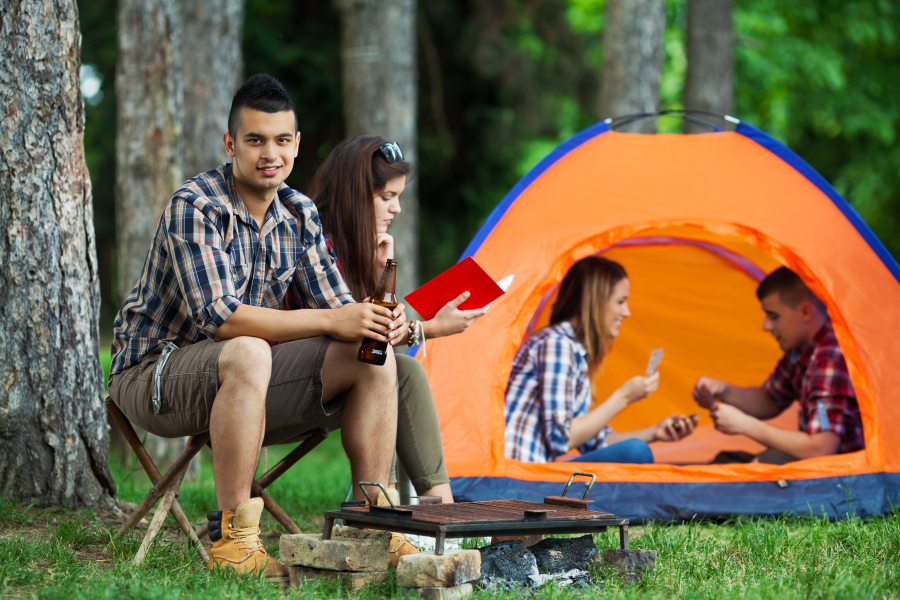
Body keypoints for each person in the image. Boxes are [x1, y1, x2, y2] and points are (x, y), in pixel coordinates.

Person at [109, 74, 404, 578]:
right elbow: (219, 317)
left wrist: (376, 320)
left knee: (370, 351)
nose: (270, 153)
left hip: (248, 380)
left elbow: (338, 306)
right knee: (247, 347)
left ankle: (372, 524)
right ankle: (235, 543)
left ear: (297, 145)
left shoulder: (299, 212)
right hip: (153, 376)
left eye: (282, 140)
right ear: (231, 144)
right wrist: (337, 317)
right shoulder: (196, 205)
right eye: (255, 140)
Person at [309, 134, 487, 506]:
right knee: (386, 364)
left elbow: (377, 334)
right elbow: (363, 335)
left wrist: (381, 272)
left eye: (399, 197)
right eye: (387, 197)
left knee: (409, 372)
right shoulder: (316, 243)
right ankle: (379, 500)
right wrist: (429, 328)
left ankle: (442, 509)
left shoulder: (362, 246)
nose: (397, 209)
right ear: (355, 196)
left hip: (343, 374)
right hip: (298, 379)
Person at [505, 256, 696, 464]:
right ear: (596, 301)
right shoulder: (556, 345)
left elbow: (593, 443)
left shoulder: (573, 352)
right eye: (621, 302)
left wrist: (656, 432)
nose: (627, 312)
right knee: (634, 452)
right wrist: (624, 396)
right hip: (512, 480)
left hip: (528, 479)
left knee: (633, 452)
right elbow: (561, 439)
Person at [693, 266, 864, 464]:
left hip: (851, 480)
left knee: (765, 462)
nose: (766, 326)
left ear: (805, 312)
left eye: (773, 316)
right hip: (822, 471)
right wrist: (722, 391)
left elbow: (821, 448)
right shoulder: (801, 349)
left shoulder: (831, 356)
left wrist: (744, 425)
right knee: (727, 461)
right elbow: (769, 400)